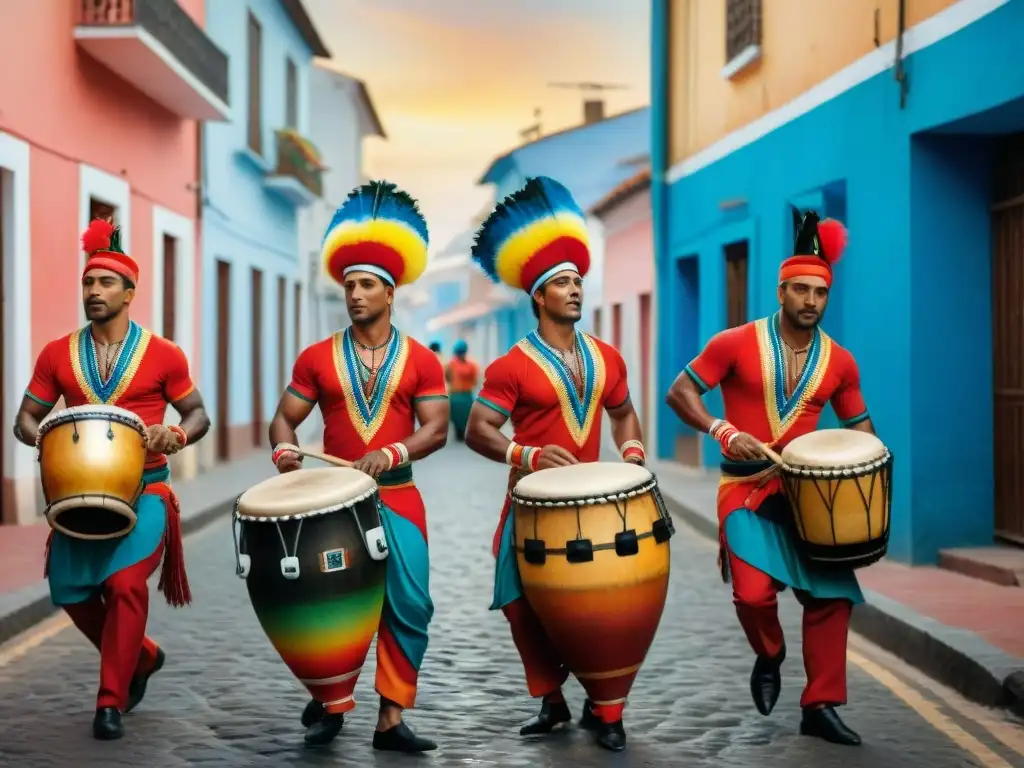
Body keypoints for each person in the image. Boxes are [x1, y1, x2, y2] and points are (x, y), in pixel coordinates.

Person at [665, 209, 871, 747]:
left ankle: (820, 704)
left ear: (827, 298)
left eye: (819, 293)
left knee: (831, 597)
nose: (810, 301)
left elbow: (860, 429)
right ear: (780, 291)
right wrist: (721, 430)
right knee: (754, 595)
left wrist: (869, 470)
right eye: (799, 290)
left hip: (810, 495)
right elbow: (680, 393)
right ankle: (771, 652)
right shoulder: (732, 343)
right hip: (744, 487)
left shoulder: (841, 363)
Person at [463, 176, 646, 753]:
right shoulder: (509, 367)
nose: (574, 291)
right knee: (519, 604)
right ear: (538, 296)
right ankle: (551, 699)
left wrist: (634, 458)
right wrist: (527, 454)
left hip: (594, 506)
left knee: (604, 607)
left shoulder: (607, 357)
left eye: (577, 282)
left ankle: (607, 709)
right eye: (562, 284)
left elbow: (624, 415)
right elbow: (478, 430)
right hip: (528, 504)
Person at [268, 180, 449, 753]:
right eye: (348, 285)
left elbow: (437, 430)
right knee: (329, 604)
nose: (354, 294)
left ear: (390, 293)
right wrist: (285, 454)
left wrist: (393, 452)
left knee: (411, 602)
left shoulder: (422, 360)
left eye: (366, 285)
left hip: (398, 496)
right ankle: (329, 703)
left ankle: (391, 719)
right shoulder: (316, 357)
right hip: (331, 501)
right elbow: (283, 420)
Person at [13, 218, 210, 740]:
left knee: (125, 585)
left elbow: (197, 414)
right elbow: (24, 419)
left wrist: (176, 435)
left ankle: (109, 702)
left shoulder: (165, 354)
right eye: (87, 283)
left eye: (104, 283)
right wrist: (46, 440)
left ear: (130, 292)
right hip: (77, 497)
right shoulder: (57, 353)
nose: (93, 291)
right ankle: (141, 657)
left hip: (145, 490)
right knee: (70, 591)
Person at [445, 339, 479, 441]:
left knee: (459, 416)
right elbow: (474, 380)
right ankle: (461, 432)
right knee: (462, 416)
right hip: (463, 395)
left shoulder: (451, 365)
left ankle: (461, 432)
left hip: (460, 395)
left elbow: (447, 377)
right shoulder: (471, 365)